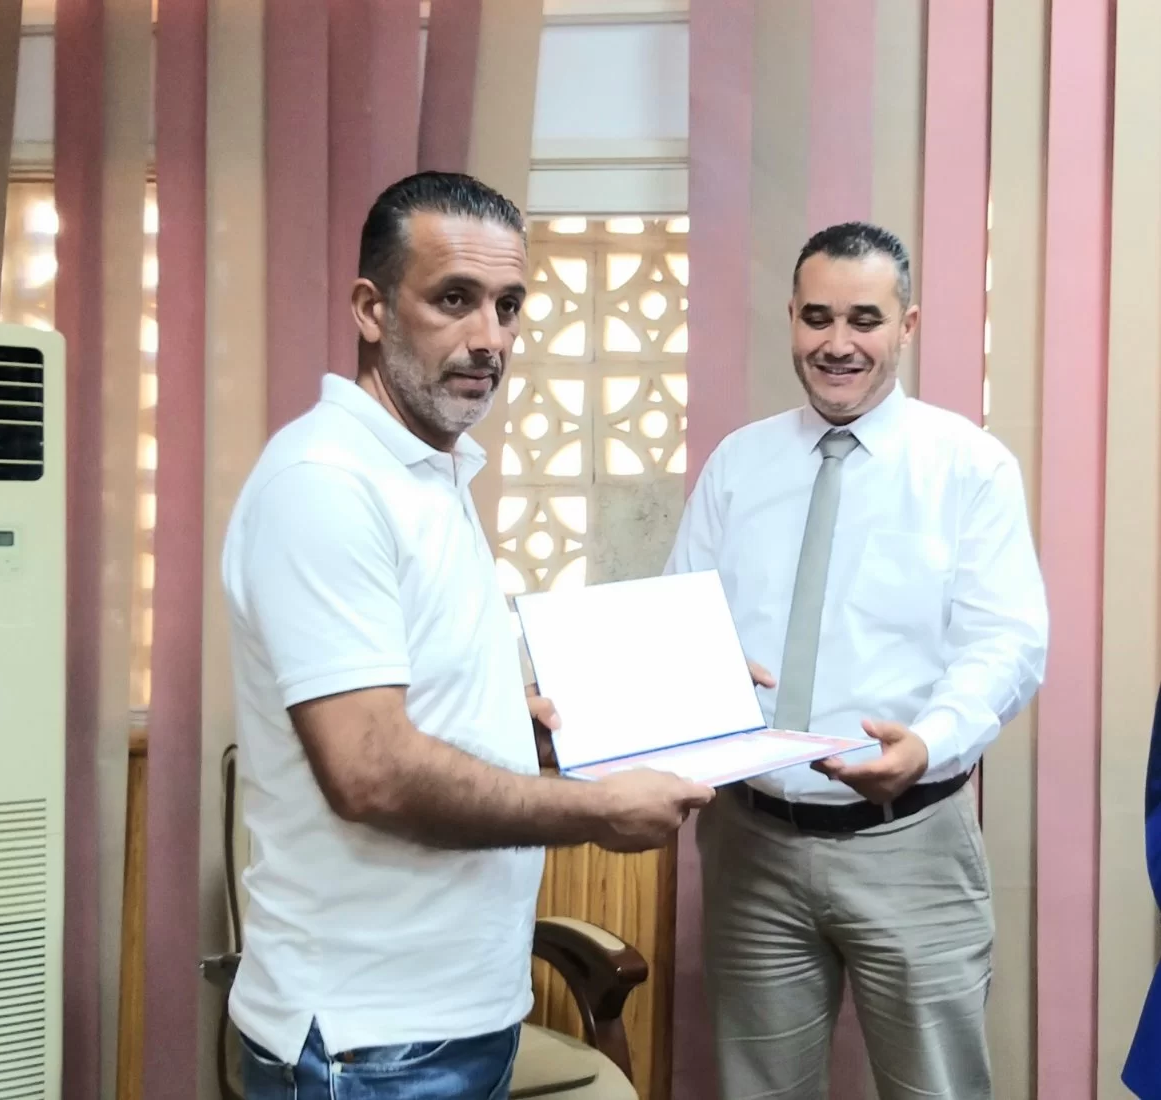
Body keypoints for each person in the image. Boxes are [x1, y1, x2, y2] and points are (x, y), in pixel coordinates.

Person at [221, 171, 714, 1100]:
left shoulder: (427, 473)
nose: (490, 337)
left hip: (454, 1017)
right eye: (454, 299)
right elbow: (371, 770)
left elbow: (419, 706)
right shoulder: (325, 483)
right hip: (369, 1041)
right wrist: (596, 812)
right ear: (372, 309)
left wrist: (520, 732)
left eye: (508, 305)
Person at [666, 221, 1049, 1100]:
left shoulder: (968, 467)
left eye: (864, 320)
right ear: (792, 319)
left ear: (906, 326)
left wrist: (929, 744)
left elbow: (1007, 641)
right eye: (818, 318)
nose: (838, 343)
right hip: (750, 843)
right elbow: (684, 622)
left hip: (910, 842)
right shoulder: (739, 463)